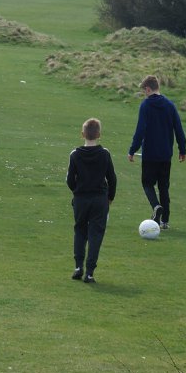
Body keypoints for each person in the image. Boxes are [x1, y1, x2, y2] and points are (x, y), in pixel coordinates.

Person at [127, 75, 186, 231]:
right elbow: (178, 129)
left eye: (144, 91)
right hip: (166, 154)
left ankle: (156, 206)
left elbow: (140, 130)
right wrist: (182, 149)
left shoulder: (146, 106)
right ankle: (165, 221)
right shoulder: (170, 105)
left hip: (150, 154)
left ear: (148, 89)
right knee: (163, 187)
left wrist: (132, 150)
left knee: (147, 183)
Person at [66, 117, 117, 284]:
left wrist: (76, 191)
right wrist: (110, 197)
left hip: (81, 199)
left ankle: (78, 266)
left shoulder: (75, 155)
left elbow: (69, 180)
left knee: (80, 231)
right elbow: (112, 178)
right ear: (99, 134)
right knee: (96, 234)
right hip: (99, 199)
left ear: (82, 134)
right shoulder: (104, 154)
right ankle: (89, 272)